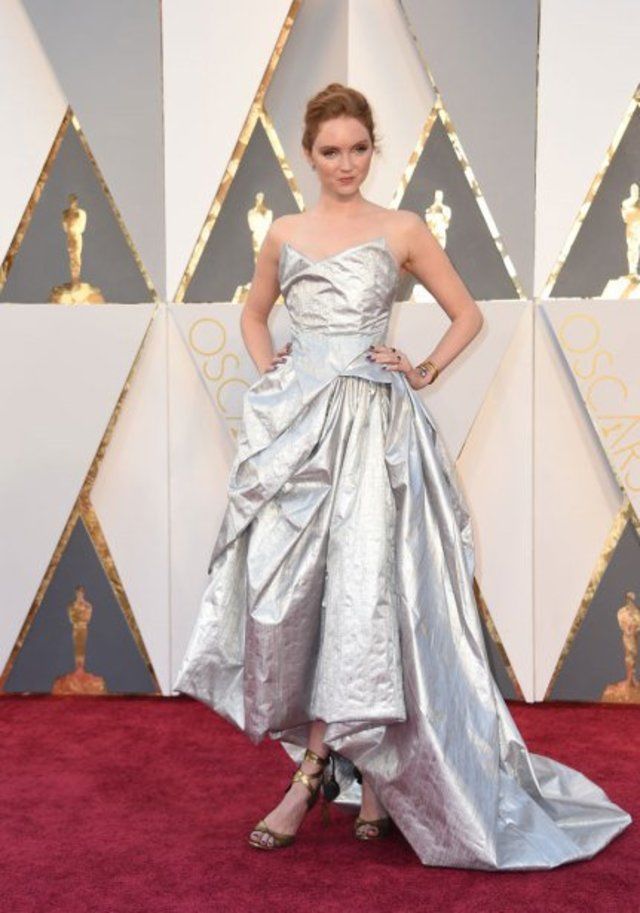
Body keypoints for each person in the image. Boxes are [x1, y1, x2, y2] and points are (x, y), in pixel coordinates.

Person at [173, 83, 632, 870]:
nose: (345, 163)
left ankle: (316, 775)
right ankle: (370, 778)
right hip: (300, 433)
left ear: (372, 149)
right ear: (308, 155)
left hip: (374, 433)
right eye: (330, 151)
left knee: (367, 597)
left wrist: (420, 369)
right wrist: (271, 367)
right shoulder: (283, 233)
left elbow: (468, 314)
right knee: (300, 598)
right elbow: (253, 312)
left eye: (358, 148)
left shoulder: (402, 228)